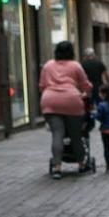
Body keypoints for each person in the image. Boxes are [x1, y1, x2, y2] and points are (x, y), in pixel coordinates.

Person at [40, 41, 92, 179]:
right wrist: (86, 93)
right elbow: (85, 85)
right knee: (76, 136)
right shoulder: (75, 66)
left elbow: (41, 86)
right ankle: (81, 165)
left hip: (50, 102)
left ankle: (57, 168)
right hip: (71, 101)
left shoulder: (48, 65)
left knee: (57, 134)